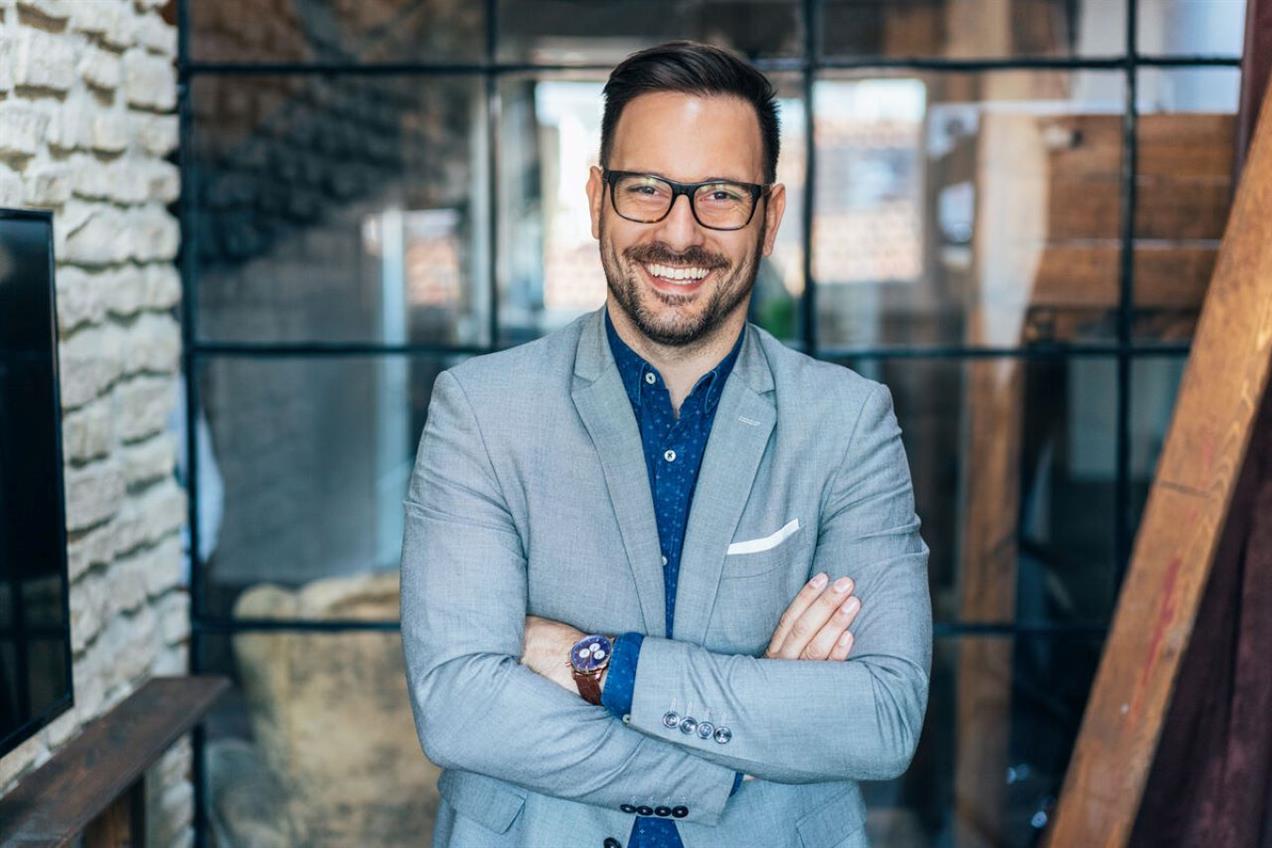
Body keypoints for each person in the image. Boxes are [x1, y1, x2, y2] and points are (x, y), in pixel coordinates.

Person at [400, 40, 931, 848]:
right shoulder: (480, 411)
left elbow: (882, 718)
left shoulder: (847, 423)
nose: (678, 234)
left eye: (720, 194)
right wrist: (739, 759)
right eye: (646, 189)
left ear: (771, 214)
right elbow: (460, 707)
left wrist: (598, 665)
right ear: (595, 198)